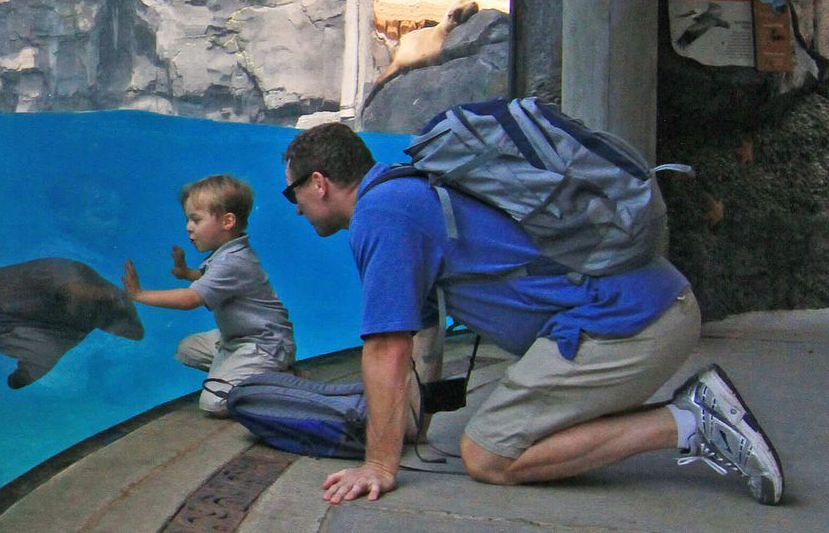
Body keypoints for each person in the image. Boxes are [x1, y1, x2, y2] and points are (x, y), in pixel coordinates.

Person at [281, 122, 784, 505]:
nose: (296, 208)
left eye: (293, 193)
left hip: (626, 323)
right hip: (649, 306)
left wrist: (378, 463)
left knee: (490, 454)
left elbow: (386, 350)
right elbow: (420, 345)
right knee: (504, 433)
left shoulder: (382, 215)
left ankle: (689, 420)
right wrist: (413, 430)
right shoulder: (410, 189)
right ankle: (682, 414)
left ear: (319, 183)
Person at [122, 174, 296, 416]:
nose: (188, 227)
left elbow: (190, 300)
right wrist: (185, 273)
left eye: (196, 219)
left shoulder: (234, 261)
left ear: (227, 221)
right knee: (187, 350)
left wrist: (139, 294)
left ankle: (277, 381)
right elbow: (209, 281)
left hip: (263, 344)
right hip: (238, 339)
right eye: (188, 219)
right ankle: (252, 374)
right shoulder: (225, 254)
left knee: (213, 401)